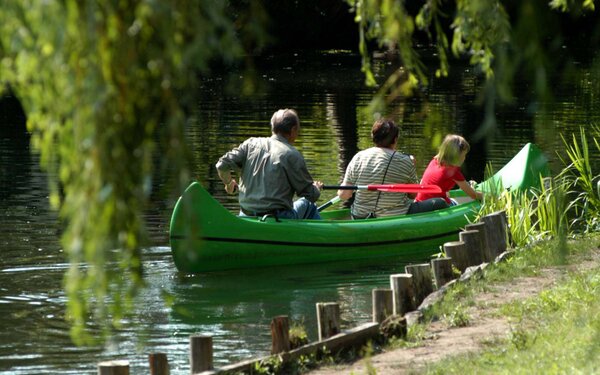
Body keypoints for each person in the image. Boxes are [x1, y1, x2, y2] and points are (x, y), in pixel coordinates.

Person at [216, 108, 324, 219]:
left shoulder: (250, 144)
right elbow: (310, 195)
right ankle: (323, 235)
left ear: (272, 127)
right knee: (309, 205)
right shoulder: (292, 155)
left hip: (246, 215)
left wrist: (229, 183)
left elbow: (221, 165)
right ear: (293, 130)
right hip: (277, 219)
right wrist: (315, 188)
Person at [337, 118, 418, 219]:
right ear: (395, 139)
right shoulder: (406, 160)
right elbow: (414, 195)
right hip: (393, 218)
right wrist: (411, 165)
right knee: (438, 203)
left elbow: (344, 195)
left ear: (373, 137)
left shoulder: (358, 157)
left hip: (360, 217)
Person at [411, 134, 483, 213]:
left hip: (420, 203)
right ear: (456, 155)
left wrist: (468, 186)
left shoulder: (435, 161)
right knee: (457, 203)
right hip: (433, 206)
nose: (465, 158)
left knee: (449, 196)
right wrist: (486, 196)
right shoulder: (453, 172)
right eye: (464, 155)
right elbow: (473, 195)